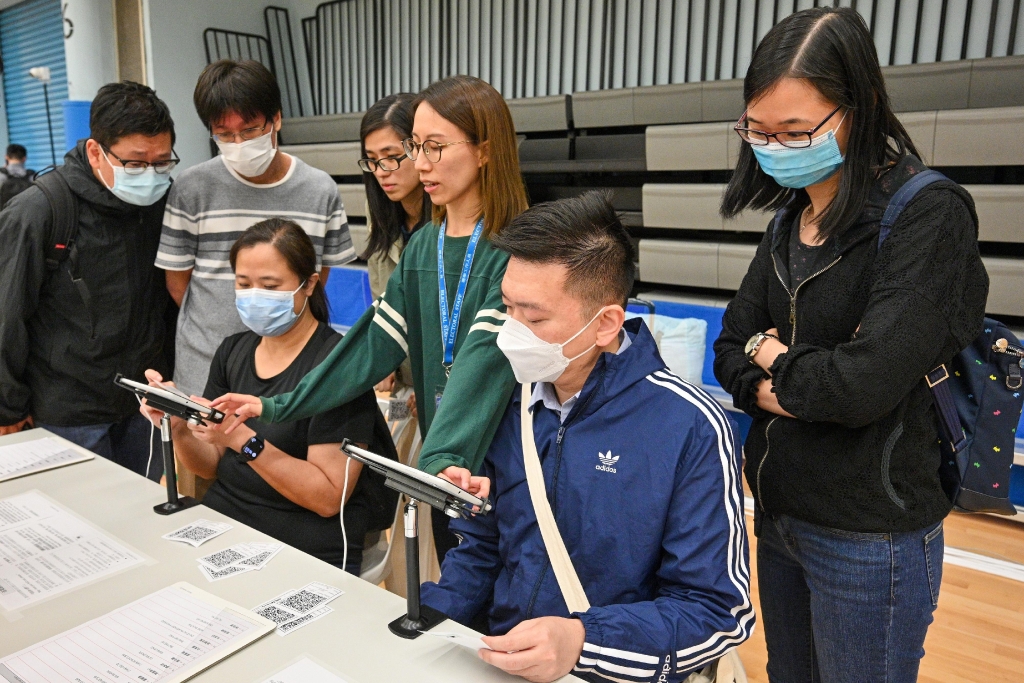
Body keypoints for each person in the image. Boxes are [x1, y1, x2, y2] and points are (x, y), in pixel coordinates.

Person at [712, 8, 988, 682]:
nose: (775, 146)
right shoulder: (789, 219)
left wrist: (771, 355)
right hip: (779, 512)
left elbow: (860, 387)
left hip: (869, 531)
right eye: (758, 130)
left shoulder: (927, 214)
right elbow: (728, 347)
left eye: (795, 130)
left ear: (856, 109)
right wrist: (779, 369)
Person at [420, 192, 753, 683]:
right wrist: (428, 621)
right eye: (507, 309)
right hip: (499, 661)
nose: (511, 334)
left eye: (534, 318)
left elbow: (717, 611)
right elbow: (483, 550)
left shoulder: (690, 426)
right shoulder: (509, 399)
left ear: (606, 323)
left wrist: (583, 641)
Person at [214, 75, 529, 564]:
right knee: (460, 578)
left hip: (504, 457)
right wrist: (276, 405)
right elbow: (371, 344)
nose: (421, 163)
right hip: (446, 463)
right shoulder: (424, 244)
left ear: (485, 150)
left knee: (510, 584)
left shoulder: (517, 246)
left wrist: (439, 456)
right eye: (416, 147)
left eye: (435, 147)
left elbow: (481, 364)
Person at [140, 219, 397, 574]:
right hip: (225, 526)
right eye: (244, 284)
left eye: (270, 286)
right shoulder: (233, 351)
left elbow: (328, 497)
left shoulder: (338, 369)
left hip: (304, 546)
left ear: (309, 284)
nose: (254, 296)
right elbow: (210, 464)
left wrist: (245, 441)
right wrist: (180, 424)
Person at [0, 81, 176, 478]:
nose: (150, 175)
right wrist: (7, 407)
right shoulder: (40, 211)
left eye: (162, 162)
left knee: (143, 509)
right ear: (96, 151)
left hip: (143, 407)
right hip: (67, 412)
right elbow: (6, 314)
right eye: (135, 164)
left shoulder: (160, 203)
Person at [155, 59, 354, 399]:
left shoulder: (319, 190)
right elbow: (178, 284)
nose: (238, 142)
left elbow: (317, 277)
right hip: (204, 366)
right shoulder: (191, 188)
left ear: (276, 118)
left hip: (290, 373)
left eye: (249, 130)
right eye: (224, 134)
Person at [359, 93, 432, 413]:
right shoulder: (379, 210)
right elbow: (382, 296)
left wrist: (438, 386)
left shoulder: (454, 217)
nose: (381, 171)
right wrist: (381, 359)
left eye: (390, 157)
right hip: (404, 381)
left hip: (447, 381)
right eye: (372, 160)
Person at [0, 144, 34, 209]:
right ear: (24, 158)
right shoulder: (32, 176)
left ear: (6, 157)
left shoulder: (1, 175)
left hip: (5, 214)